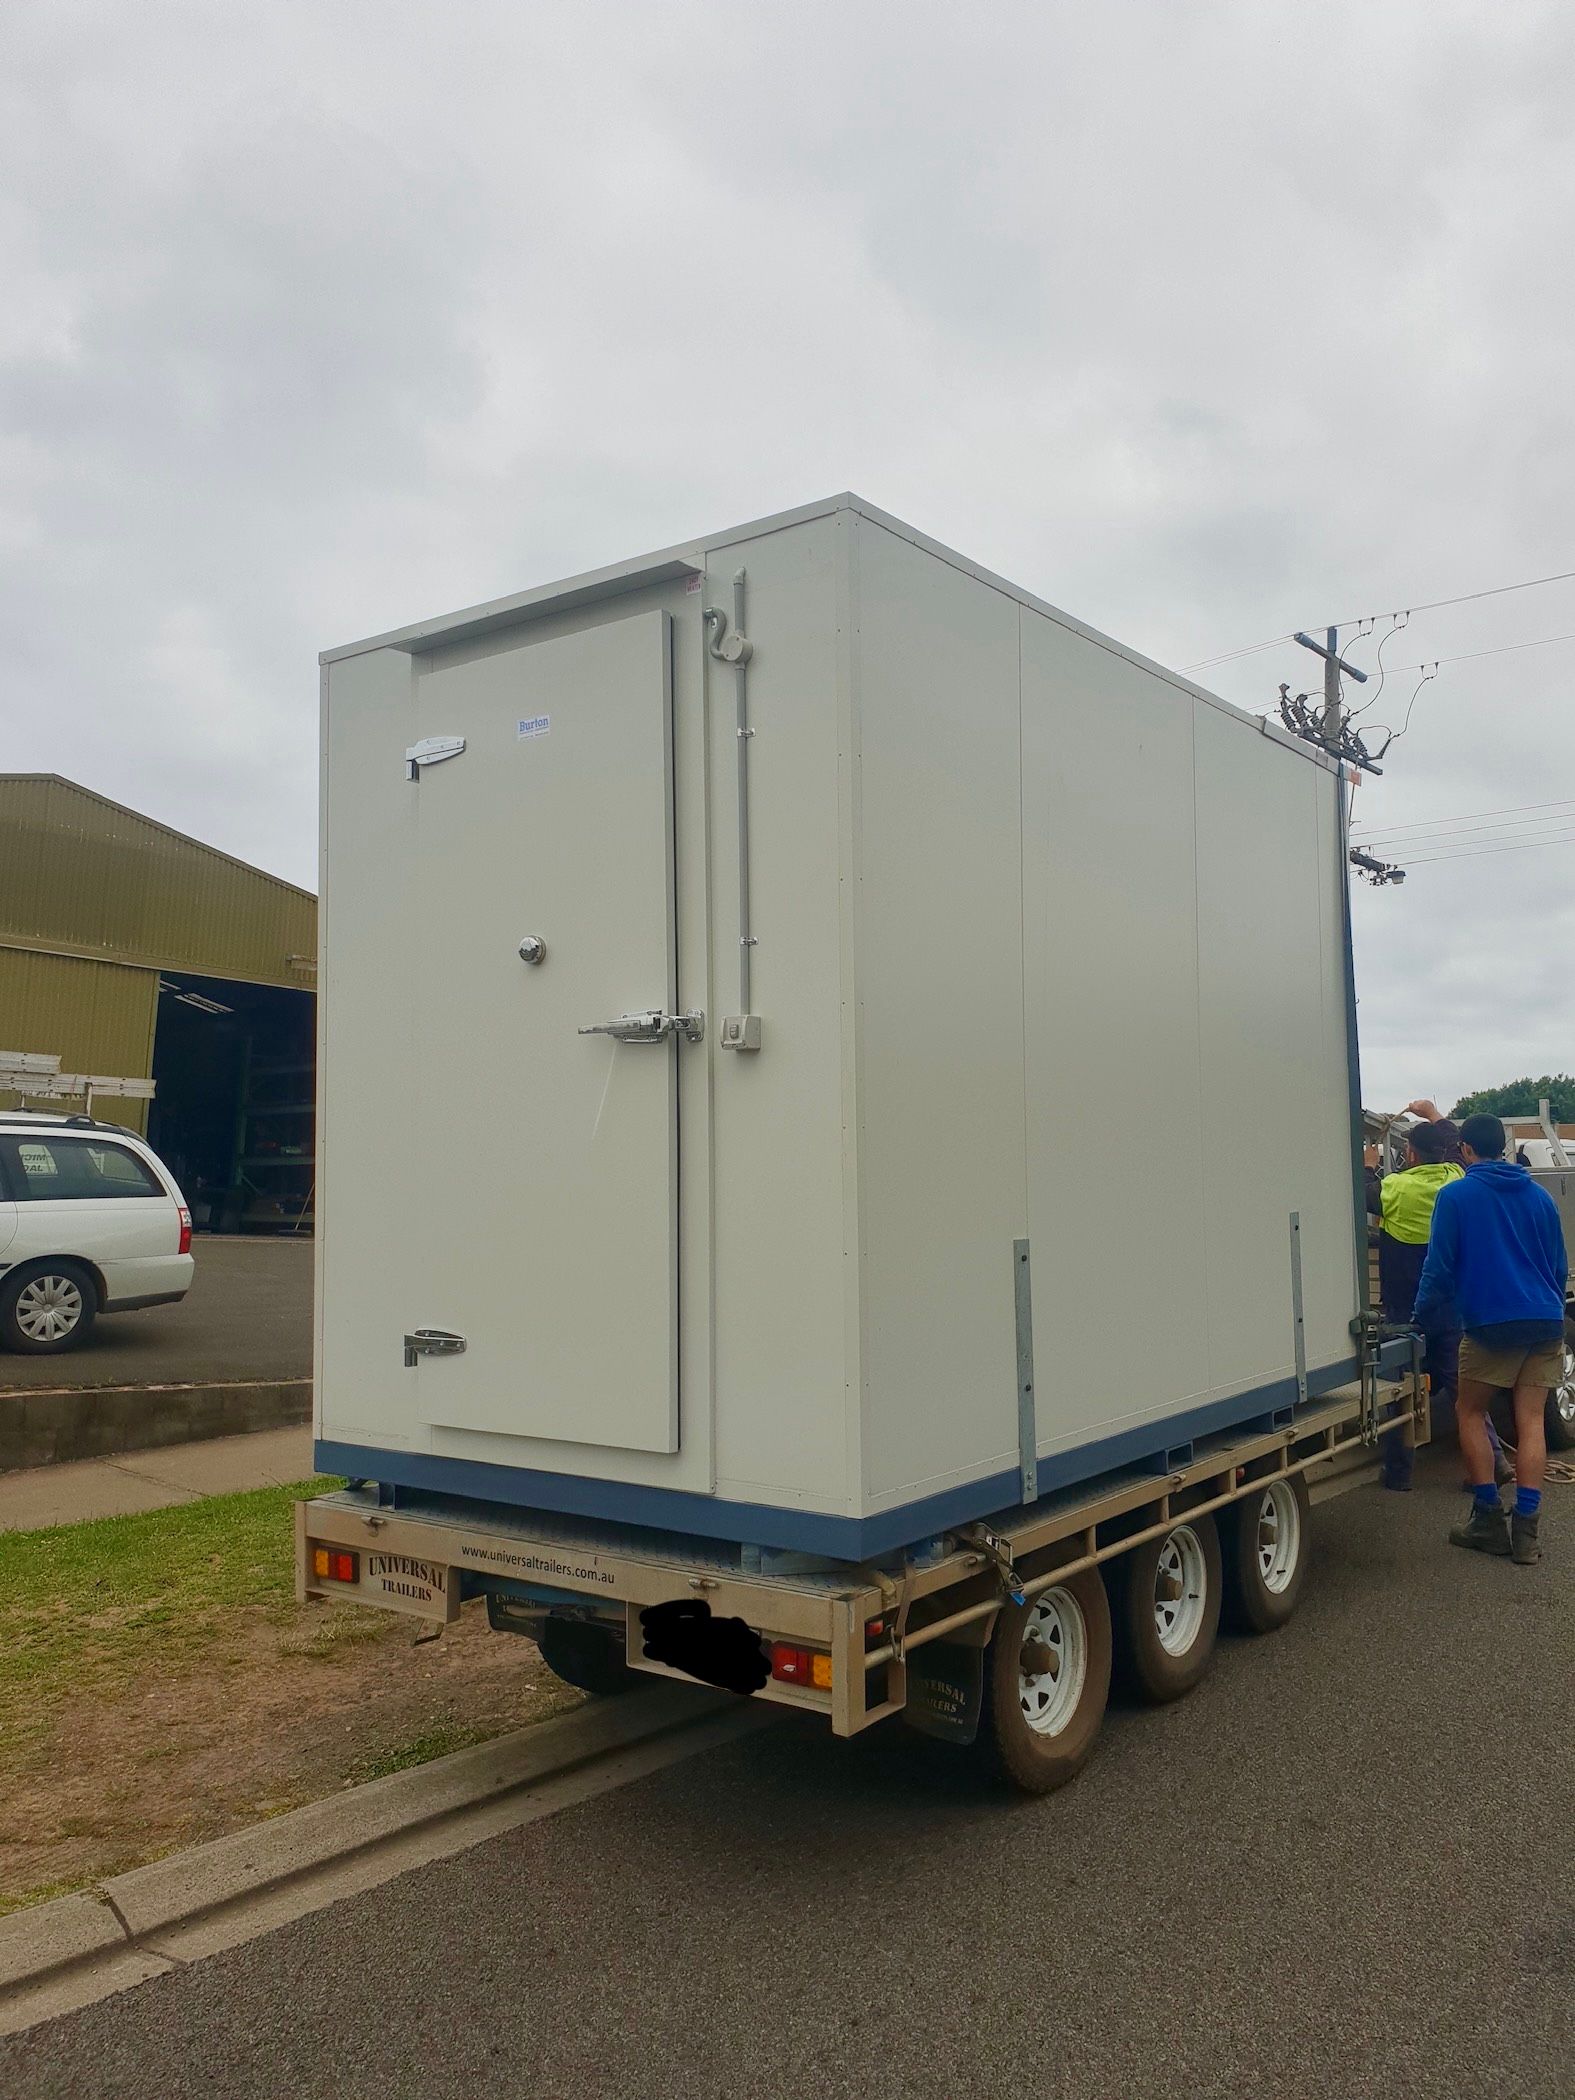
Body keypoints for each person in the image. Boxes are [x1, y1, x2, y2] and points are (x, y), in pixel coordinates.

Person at [1412, 1112, 1568, 1565]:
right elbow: (1558, 1268)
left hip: (1489, 1326)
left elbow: (1438, 1268)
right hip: (1544, 1320)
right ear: (1502, 1146)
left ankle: (1487, 1518)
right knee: (1532, 1422)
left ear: (1464, 1149)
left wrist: (1419, 1316)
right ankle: (1527, 1534)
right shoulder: (1540, 1198)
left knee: (1470, 1410)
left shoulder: (1456, 1196)